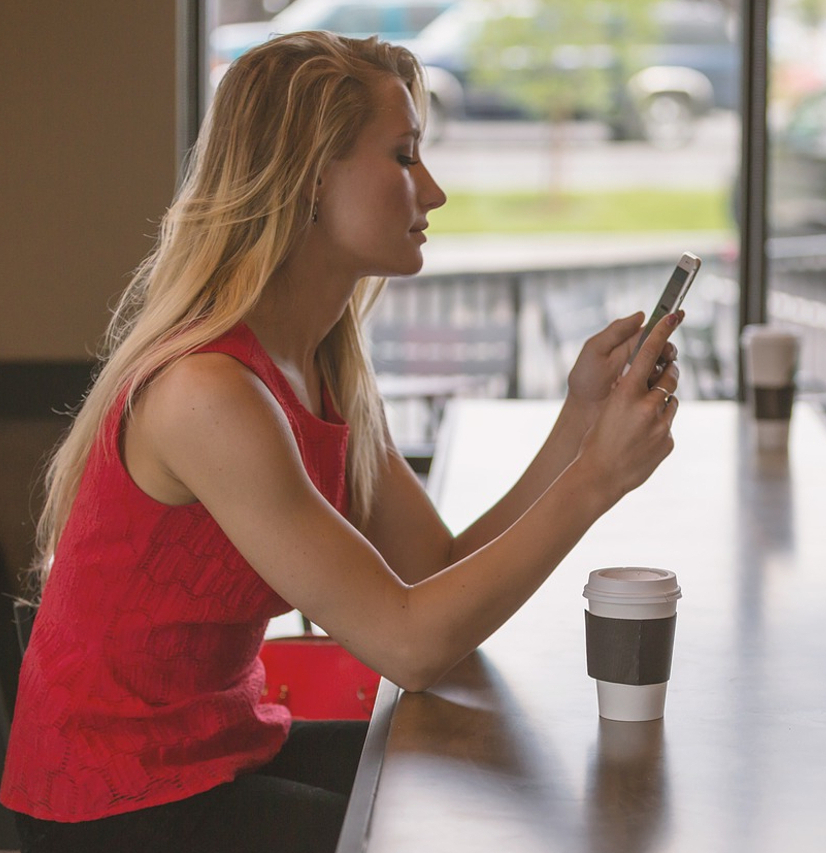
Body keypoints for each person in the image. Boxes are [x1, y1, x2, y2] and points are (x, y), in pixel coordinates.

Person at [1, 31, 682, 853]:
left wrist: (579, 429)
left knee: (482, 778)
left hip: (221, 753)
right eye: (403, 157)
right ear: (309, 181)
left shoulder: (319, 366)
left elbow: (429, 575)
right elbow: (410, 644)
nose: (432, 191)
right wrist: (595, 481)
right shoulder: (209, 392)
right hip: (115, 810)